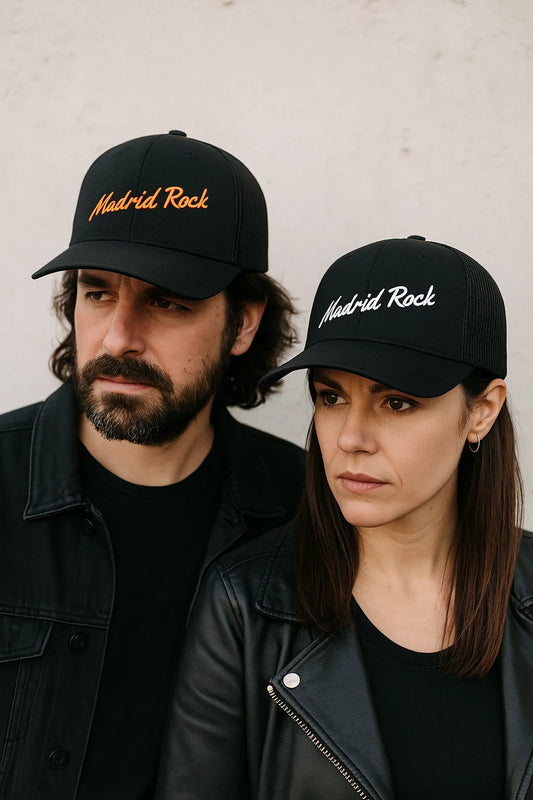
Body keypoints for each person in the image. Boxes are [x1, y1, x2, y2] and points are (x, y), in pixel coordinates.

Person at [157, 236, 533, 800]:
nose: (350, 439)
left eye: (396, 402)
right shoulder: (248, 607)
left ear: (482, 410)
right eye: (331, 397)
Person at [0, 131, 305, 800]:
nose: (118, 337)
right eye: (98, 291)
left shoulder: (304, 512)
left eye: (167, 300)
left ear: (244, 323)